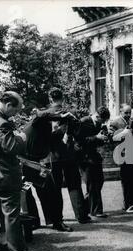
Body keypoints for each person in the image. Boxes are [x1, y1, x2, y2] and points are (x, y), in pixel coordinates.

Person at [0, 91, 43, 251]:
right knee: (12, 215)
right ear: (8, 105)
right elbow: (12, 148)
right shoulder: (2, 123)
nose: (16, 114)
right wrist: (21, 138)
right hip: (6, 174)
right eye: (16, 110)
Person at [22, 103, 76, 231]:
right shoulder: (37, 121)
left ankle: (56, 222)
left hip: (36, 163)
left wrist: (62, 130)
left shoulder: (46, 127)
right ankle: (33, 222)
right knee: (27, 193)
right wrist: (60, 115)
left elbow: (50, 141)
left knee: (51, 192)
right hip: (24, 162)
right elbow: (41, 114)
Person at [48, 88, 90, 224]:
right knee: (74, 185)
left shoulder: (46, 114)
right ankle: (81, 216)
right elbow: (79, 132)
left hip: (53, 155)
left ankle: (57, 219)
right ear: (63, 98)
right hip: (69, 153)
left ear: (50, 99)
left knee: (55, 187)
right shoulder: (70, 114)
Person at [75, 106, 110, 218]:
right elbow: (79, 141)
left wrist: (103, 138)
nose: (103, 122)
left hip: (94, 156)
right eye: (102, 120)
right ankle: (96, 211)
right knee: (92, 184)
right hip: (84, 157)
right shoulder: (84, 121)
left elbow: (98, 142)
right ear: (97, 116)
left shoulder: (99, 124)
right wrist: (96, 137)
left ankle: (85, 208)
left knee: (99, 181)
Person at [108, 104, 133, 210]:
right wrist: (124, 133)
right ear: (120, 111)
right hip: (122, 154)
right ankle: (127, 204)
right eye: (126, 113)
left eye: (129, 112)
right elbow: (111, 138)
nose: (128, 115)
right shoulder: (115, 122)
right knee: (126, 180)